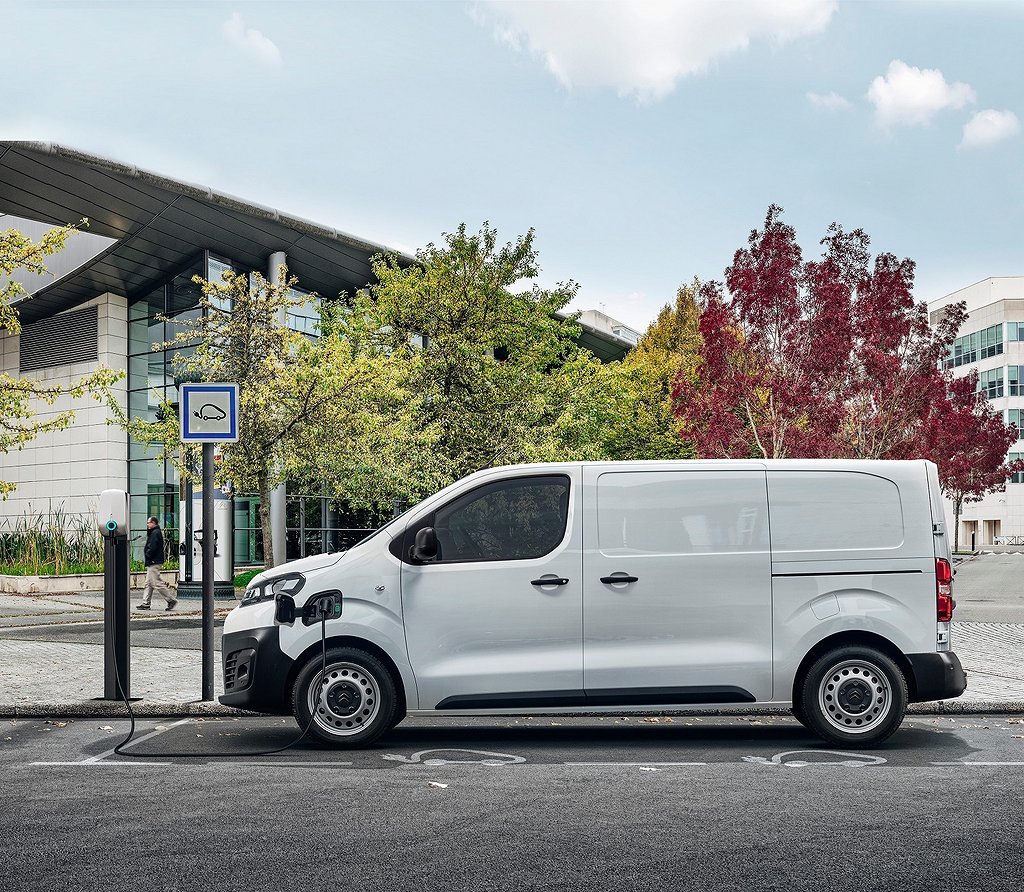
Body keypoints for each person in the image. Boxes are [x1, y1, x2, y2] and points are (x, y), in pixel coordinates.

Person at [137, 516, 177, 611]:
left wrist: (148, 554)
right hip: (154, 561)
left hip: (154, 561)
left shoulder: (155, 533)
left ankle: (171, 600)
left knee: (156, 582)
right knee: (149, 583)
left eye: (149, 523)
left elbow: (152, 547)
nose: (147, 524)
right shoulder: (155, 532)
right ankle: (145, 603)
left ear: (153, 523)